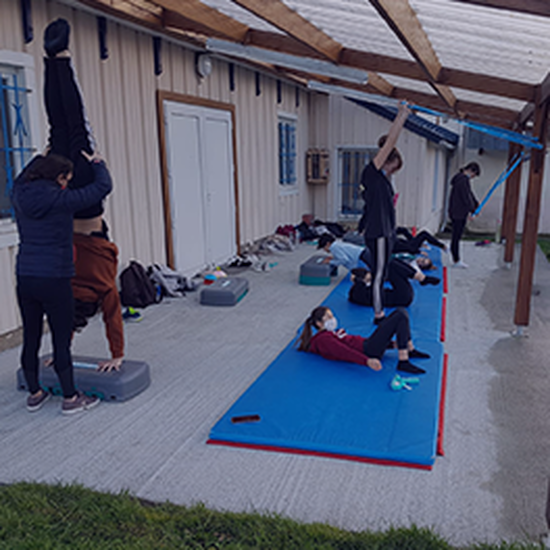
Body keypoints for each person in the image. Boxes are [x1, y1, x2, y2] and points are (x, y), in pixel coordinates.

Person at [43, 18, 124, 371]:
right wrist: (59, 351)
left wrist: (117, 355)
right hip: (63, 198)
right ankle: (52, 60)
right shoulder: (64, 286)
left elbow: (113, 319)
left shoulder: (104, 286)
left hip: (88, 200)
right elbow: (65, 320)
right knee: (58, 127)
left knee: (76, 125)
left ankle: (60, 56)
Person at [12, 151, 112, 414]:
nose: (67, 183)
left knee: (31, 336)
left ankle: (35, 394)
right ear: (58, 178)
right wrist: (97, 162)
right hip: (54, 278)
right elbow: (102, 187)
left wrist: (39, 158)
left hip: (25, 277)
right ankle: (70, 398)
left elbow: (22, 176)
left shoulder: (19, 193)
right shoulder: (62, 199)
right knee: (60, 338)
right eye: (66, 178)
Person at [358, 102, 411, 325]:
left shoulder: (384, 181)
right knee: (379, 273)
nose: (392, 171)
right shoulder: (371, 172)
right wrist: (402, 115)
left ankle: (379, 310)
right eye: (392, 166)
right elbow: (390, 143)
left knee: (384, 269)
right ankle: (378, 315)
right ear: (385, 160)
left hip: (386, 231)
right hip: (378, 232)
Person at [297, 306, 429, 374]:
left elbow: (353, 342)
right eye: (328, 317)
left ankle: (409, 349)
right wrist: (366, 361)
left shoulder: (329, 333)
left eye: (332, 316)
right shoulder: (323, 339)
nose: (333, 319)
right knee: (400, 314)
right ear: (319, 323)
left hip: (369, 345)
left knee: (401, 313)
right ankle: (403, 361)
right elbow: (343, 351)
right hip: (368, 350)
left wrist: (390, 345)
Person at [348, 261, 439, 308]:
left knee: (391, 263)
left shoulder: (364, 288)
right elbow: (358, 283)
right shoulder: (357, 292)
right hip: (402, 298)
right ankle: (422, 278)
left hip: (401, 296)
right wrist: (355, 279)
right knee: (391, 265)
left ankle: (420, 277)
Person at [448, 162, 481, 268]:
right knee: (456, 237)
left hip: (456, 212)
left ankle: (456, 258)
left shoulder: (461, 179)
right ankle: (456, 259)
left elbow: (469, 194)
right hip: (458, 213)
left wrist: (476, 204)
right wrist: (472, 210)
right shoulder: (463, 180)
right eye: (474, 175)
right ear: (471, 171)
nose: (472, 177)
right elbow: (465, 197)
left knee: (456, 236)